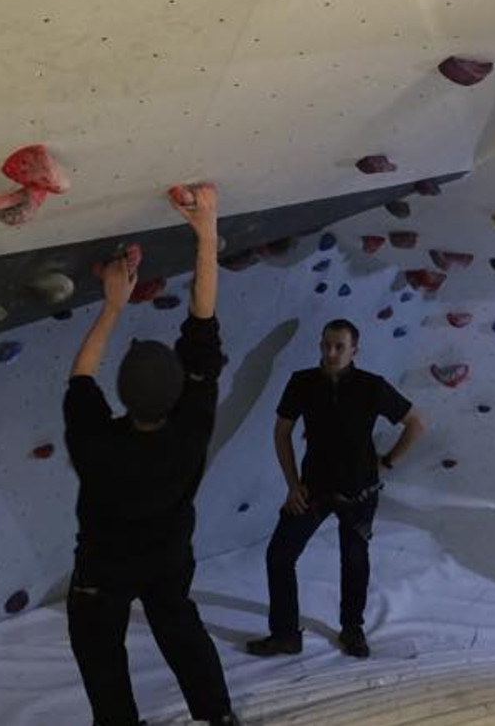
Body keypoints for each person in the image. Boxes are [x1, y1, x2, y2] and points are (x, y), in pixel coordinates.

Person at [62, 183, 243, 726]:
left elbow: (81, 379)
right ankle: (219, 717)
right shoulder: (192, 425)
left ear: (122, 395)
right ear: (177, 391)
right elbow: (202, 323)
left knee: (99, 651)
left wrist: (113, 305)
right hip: (167, 557)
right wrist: (207, 233)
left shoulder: (99, 446)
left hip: (105, 566)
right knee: (181, 630)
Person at [244, 319, 427, 659]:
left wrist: (387, 462)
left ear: (354, 350)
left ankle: (352, 629)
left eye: (339, 346)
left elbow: (416, 423)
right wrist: (292, 484)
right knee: (280, 555)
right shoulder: (303, 382)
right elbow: (282, 432)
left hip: (360, 492)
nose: (331, 352)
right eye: (326, 345)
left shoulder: (372, 386)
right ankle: (285, 634)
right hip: (312, 488)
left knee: (354, 560)